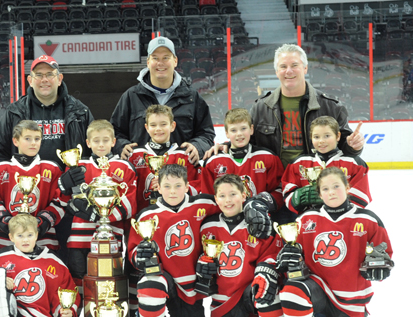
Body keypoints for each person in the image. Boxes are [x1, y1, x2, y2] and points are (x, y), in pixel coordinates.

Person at [129, 165, 273, 317]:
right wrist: (140, 256)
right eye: (167, 186)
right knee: (149, 282)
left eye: (178, 186)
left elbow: (230, 204)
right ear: (158, 188)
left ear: (188, 186)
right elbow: (134, 251)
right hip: (167, 281)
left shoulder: (204, 204)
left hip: (194, 289)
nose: (172, 191)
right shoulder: (146, 216)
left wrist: (255, 205)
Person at [276, 167, 392, 317]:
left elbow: (384, 257)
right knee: (291, 290)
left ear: (348, 187)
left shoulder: (368, 220)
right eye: (325, 189)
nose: (331, 192)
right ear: (319, 194)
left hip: (350, 297)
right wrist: (287, 257)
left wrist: (381, 267)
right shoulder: (306, 219)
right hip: (318, 289)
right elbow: (292, 253)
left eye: (336, 186)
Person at [206, 44, 365, 167]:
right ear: (276, 71)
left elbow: (345, 147)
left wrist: (353, 146)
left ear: (305, 68)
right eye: (283, 66)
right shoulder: (261, 108)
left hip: (317, 180)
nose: (289, 71)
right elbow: (249, 142)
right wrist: (227, 146)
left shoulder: (331, 107)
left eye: (294, 65)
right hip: (276, 182)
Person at [196, 174, 281, 317]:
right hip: (225, 300)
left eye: (233, 194)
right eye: (222, 196)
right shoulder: (207, 226)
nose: (228, 200)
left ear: (244, 195)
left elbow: (273, 254)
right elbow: (198, 258)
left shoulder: (258, 224)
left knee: (268, 285)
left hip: (251, 293)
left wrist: (266, 271)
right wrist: (203, 263)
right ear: (215, 199)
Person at [110, 37, 215, 165]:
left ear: (175, 61)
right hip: (141, 176)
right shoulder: (131, 96)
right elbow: (114, 132)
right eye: (155, 58)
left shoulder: (192, 97)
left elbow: (207, 134)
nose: (160, 63)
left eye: (166, 57)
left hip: (180, 176)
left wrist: (198, 146)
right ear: (148, 62)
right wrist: (121, 146)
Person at [60, 120, 137, 282]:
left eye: (105, 140)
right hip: (78, 240)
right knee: (80, 289)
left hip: (110, 238)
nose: (101, 145)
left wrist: (100, 217)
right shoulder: (77, 165)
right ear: (88, 143)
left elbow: (129, 205)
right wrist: (64, 187)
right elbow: (64, 200)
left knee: (109, 288)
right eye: (96, 141)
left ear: (114, 142)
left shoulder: (124, 167)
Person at [0, 55, 94, 166]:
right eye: (39, 75)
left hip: (71, 181)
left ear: (59, 79)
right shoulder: (14, 112)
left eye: (50, 74)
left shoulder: (80, 111)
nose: (44, 80)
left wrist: (79, 175)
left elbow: (95, 149)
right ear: (30, 80)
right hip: (27, 181)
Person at [0, 120, 65, 250]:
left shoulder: (52, 169)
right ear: (15, 141)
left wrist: (43, 222)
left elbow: (59, 201)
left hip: (44, 241)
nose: (33, 143)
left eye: (37, 138)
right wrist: (5, 223)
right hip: (7, 241)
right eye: (27, 138)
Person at [281, 116, 371, 215]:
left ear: (338, 136)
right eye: (316, 137)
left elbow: (362, 197)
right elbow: (287, 193)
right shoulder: (299, 163)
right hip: (309, 223)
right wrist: (297, 197)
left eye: (327, 136)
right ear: (310, 137)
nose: (321, 141)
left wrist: (333, 203)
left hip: (343, 222)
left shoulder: (354, 163)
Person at [200, 108, 284, 206]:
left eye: (243, 128)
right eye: (233, 130)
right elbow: (207, 198)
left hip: (261, 217)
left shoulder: (267, 157)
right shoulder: (213, 162)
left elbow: (279, 190)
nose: (239, 134)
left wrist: (264, 204)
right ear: (226, 133)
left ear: (251, 129)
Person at [128, 104, 201, 214]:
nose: (158, 129)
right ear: (146, 128)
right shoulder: (134, 155)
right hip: (143, 219)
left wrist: (173, 184)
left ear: (172, 126)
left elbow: (199, 186)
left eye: (163, 124)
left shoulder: (185, 155)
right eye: (153, 125)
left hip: (178, 218)